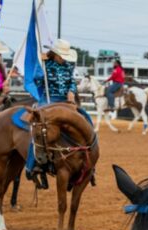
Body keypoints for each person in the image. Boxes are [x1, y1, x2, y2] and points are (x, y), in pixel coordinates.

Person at [22, 39, 94, 188]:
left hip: (65, 100)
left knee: (85, 118)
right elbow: (36, 81)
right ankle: (31, 166)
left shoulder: (68, 66)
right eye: (62, 55)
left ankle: (90, 161)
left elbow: (72, 82)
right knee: (38, 127)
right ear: (54, 54)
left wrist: (71, 92)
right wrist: (40, 68)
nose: (64, 58)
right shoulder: (44, 65)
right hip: (48, 100)